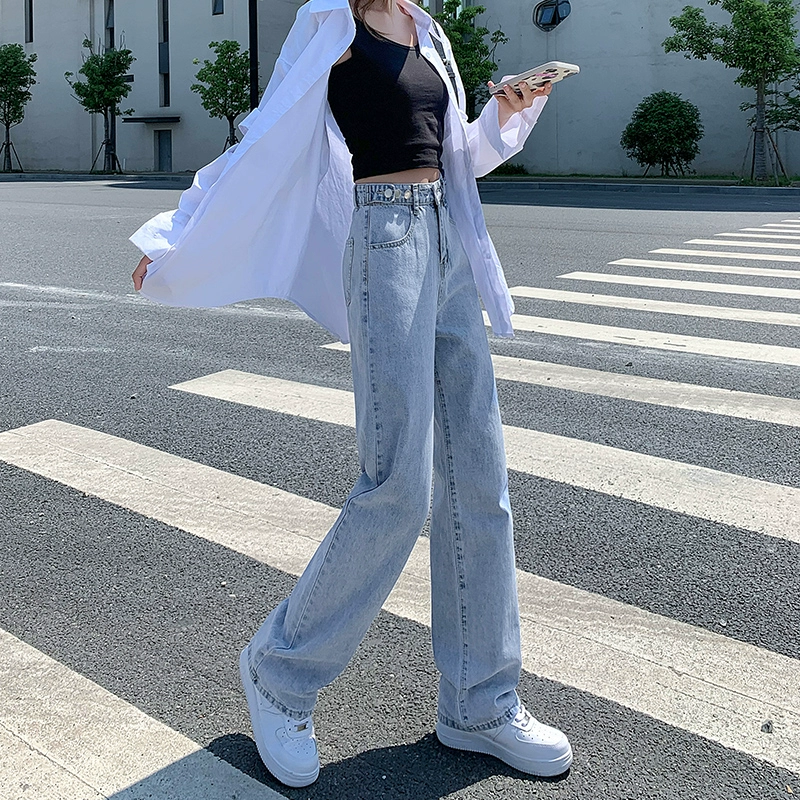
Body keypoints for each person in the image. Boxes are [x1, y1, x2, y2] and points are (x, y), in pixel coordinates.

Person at [131, 0, 571, 789]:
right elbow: (266, 139)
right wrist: (177, 233)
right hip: (386, 242)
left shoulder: (427, 30)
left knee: (480, 477)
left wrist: (508, 113)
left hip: (449, 242)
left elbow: (456, 156)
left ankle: (479, 702)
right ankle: (279, 672)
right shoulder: (333, 25)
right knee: (396, 483)